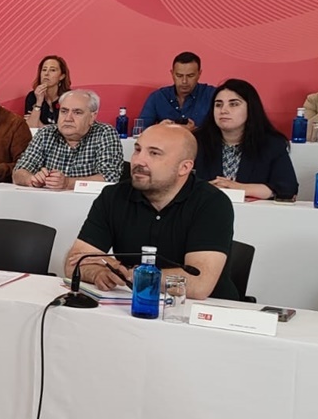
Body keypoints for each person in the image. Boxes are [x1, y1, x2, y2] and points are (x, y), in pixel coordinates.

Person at [64, 122, 237, 301]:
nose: (138, 161)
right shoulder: (113, 196)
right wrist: (98, 273)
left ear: (184, 167)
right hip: (131, 305)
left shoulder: (212, 203)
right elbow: (74, 263)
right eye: (137, 150)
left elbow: (198, 285)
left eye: (154, 153)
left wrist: (130, 274)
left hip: (203, 314)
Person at [193, 79, 297, 200]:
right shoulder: (196, 142)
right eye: (218, 104)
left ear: (250, 108)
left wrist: (240, 188)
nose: (223, 110)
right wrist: (204, 188)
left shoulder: (272, 144)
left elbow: (288, 188)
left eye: (234, 104)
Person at [13, 90, 123, 189]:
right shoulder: (46, 133)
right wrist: (33, 179)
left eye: (77, 112)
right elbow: (18, 172)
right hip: (48, 204)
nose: (68, 118)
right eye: (64, 111)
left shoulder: (104, 133)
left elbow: (110, 177)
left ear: (92, 117)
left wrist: (68, 183)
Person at [137, 52, 215, 129]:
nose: (184, 81)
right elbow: (140, 131)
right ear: (172, 74)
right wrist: (159, 129)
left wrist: (195, 131)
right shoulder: (158, 97)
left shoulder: (212, 95)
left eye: (190, 76)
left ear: (199, 74)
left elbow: (224, 131)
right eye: (179, 76)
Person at [24, 55, 71, 128]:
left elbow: (68, 129)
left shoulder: (69, 98)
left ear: (61, 76)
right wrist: (39, 102)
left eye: (52, 70)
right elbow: (31, 127)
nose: (46, 73)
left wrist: (42, 126)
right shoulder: (32, 96)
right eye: (44, 70)